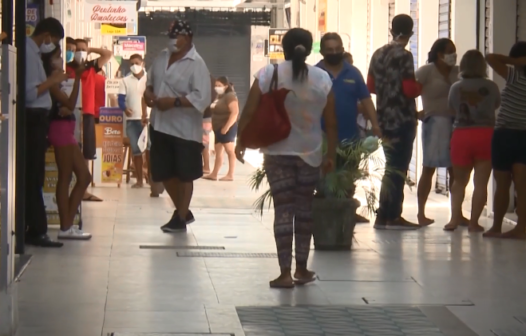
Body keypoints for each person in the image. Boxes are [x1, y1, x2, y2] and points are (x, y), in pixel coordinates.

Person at [235, 28, 338, 288]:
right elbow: (332, 123)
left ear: (284, 48)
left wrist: (241, 141)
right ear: (310, 47)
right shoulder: (322, 78)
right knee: (304, 210)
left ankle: (284, 273)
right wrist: (331, 155)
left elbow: (248, 112)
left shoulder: (269, 74)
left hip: (277, 152)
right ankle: (302, 269)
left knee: (283, 210)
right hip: (310, 153)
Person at [144, 19, 211, 232]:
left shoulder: (196, 64)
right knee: (162, 172)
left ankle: (181, 217)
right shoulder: (162, 57)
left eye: (176, 37)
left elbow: (202, 97)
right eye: (170, 36)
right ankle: (183, 210)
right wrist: (148, 94)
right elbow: (151, 82)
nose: (172, 41)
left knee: (184, 174)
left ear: (188, 38)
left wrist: (173, 102)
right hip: (160, 124)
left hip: (184, 129)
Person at [316, 33, 381, 223]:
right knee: (325, 180)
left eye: (338, 49)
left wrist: (376, 125)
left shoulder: (353, 73)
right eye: (330, 50)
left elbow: (366, 99)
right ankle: (327, 217)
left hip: (349, 138)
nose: (334, 53)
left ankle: (345, 215)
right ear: (322, 51)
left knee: (347, 178)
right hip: (321, 138)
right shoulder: (315, 73)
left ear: (343, 50)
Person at [367, 14, 421, 230]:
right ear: (411, 33)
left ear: (391, 30)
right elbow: (409, 89)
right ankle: (392, 215)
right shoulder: (405, 56)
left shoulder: (378, 54)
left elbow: (370, 86)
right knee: (398, 168)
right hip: (403, 119)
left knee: (391, 166)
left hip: (384, 118)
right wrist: (421, 87)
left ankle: (383, 215)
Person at [445, 50, 500, 232]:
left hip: (462, 135)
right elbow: (496, 105)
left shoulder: (455, 87)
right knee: (481, 182)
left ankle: (454, 220)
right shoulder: (491, 87)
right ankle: (474, 222)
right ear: (483, 66)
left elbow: (451, 109)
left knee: (459, 182)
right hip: (486, 135)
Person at [25, 17, 68, 247]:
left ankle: (32, 226)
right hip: (31, 121)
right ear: (47, 36)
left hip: (38, 121)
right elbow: (30, 94)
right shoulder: (28, 54)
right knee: (32, 175)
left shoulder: (33, 54)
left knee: (35, 174)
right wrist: (52, 80)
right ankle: (36, 229)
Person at [415, 38, 467, 226]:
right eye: (450, 51)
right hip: (435, 123)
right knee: (429, 168)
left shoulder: (458, 72)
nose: (454, 55)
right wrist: (416, 113)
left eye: (454, 51)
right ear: (439, 54)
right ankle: (421, 212)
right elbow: (409, 92)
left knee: (457, 170)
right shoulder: (426, 71)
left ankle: (457, 214)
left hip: (457, 124)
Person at [43, 45, 92, 240]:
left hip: (66, 129)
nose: (61, 59)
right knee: (68, 176)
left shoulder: (58, 81)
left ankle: (67, 224)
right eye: (57, 57)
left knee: (81, 177)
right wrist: (78, 78)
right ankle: (66, 226)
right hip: (60, 130)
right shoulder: (52, 83)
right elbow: (70, 104)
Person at [484, 42, 526, 239]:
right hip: (519, 136)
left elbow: (490, 57)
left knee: (504, 183)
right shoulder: (514, 74)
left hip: (505, 134)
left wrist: (514, 62)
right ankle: (519, 228)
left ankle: (499, 227)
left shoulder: (514, 74)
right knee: (521, 184)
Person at [66, 39, 113, 202]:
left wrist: (89, 49)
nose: (79, 52)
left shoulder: (91, 66)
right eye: (76, 49)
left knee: (86, 151)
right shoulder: (67, 67)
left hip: (87, 112)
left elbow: (108, 54)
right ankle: (70, 186)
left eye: (82, 50)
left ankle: (83, 190)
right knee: (71, 149)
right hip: (70, 111)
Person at [118, 54, 148, 188]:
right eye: (131, 64)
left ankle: (152, 180)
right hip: (132, 120)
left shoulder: (150, 79)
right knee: (136, 151)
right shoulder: (125, 81)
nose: (134, 66)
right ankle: (140, 180)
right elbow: (120, 99)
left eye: (136, 63)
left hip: (147, 121)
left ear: (143, 63)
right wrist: (124, 108)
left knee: (149, 150)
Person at [203, 77, 239, 181]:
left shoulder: (230, 96)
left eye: (219, 85)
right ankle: (214, 173)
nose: (217, 88)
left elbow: (235, 112)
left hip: (226, 128)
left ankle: (230, 174)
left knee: (230, 151)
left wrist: (226, 127)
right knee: (219, 152)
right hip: (218, 128)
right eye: (216, 85)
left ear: (226, 86)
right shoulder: (220, 97)